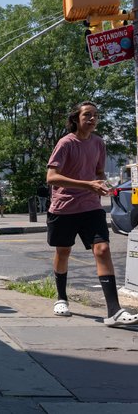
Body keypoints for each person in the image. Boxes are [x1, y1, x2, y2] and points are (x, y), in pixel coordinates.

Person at [46, 101, 138, 326]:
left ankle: (114, 311)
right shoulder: (66, 143)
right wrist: (88, 185)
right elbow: (51, 177)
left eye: (96, 115)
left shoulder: (98, 143)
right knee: (64, 251)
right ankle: (61, 298)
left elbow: (97, 171)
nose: (92, 119)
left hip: (91, 206)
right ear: (76, 118)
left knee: (103, 249)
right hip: (64, 207)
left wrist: (102, 184)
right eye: (87, 115)